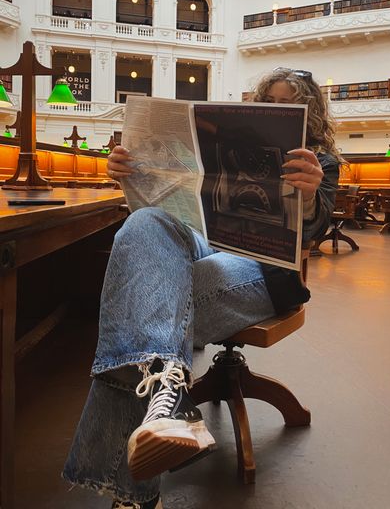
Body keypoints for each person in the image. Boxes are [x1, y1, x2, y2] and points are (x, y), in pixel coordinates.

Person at [63, 68, 342, 509]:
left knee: (146, 297)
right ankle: (165, 401)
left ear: (308, 115)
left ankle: (138, 477)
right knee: (143, 222)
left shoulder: (319, 161)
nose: (273, 111)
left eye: (286, 105)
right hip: (199, 241)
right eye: (266, 103)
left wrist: (307, 197)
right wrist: (130, 174)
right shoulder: (218, 146)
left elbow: (315, 227)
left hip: (263, 268)